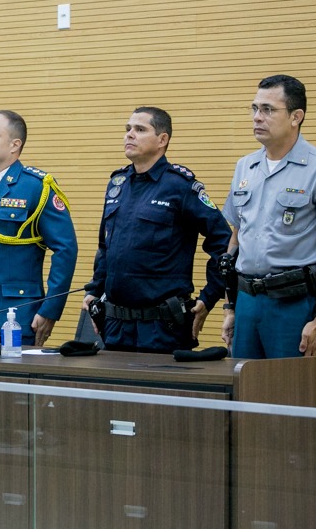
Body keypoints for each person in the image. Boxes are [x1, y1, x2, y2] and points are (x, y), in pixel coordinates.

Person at [221, 75, 316, 358]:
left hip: (295, 304)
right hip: (247, 301)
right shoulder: (245, 167)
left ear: (296, 117)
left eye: (268, 109)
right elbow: (236, 239)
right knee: (245, 384)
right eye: (255, 108)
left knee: (292, 385)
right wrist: (230, 307)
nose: (257, 117)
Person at [82, 107, 232, 354]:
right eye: (128, 129)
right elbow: (105, 247)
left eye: (140, 129)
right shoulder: (117, 184)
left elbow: (223, 242)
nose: (129, 134)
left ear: (162, 140)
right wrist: (94, 290)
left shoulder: (180, 186)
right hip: (116, 325)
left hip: (162, 327)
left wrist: (209, 297)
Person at [0, 110, 77, 347]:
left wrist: (50, 310)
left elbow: (65, 250)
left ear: (15, 145)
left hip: (16, 317)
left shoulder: (36, 186)